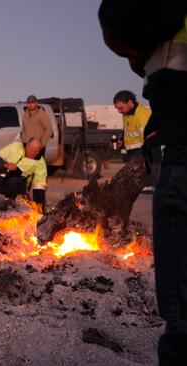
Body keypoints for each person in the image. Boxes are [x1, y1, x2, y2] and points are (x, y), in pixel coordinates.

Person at [99, 2, 187, 364]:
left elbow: (121, 20)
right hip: (169, 139)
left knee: (183, 319)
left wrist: (137, 53)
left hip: (182, 140)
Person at [112, 90, 161, 192]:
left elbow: (152, 140)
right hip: (134, 153)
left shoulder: (143, 115)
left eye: (121, 108)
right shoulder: (126, 114)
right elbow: (127, 130)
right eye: (117, 109)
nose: (119, 111)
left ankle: (151, 185)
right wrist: (122, 141)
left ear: (130, 103)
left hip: (145, 152)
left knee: (146, 185)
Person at [0, 138, 47, 209]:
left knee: (13, 181)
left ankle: (8, 204)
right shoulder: (16, 146)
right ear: (27, 146)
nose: (33, 153)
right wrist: (6, 165)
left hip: (19, 182)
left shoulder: (40, 162)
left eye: (36, 151)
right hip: (2, 176)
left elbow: (39, 186)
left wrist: (39, 207)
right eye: (31, 150)